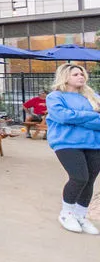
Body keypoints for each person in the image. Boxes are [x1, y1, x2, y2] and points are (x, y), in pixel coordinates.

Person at [45, 64, 100, 234]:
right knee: (79, 177)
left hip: (94, 143)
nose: (81, 76)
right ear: (65, 77)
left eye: (82, 73)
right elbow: (61, 116)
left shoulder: (93, 97)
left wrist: (75, 117)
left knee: (90, 180)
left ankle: (81, 215)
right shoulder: (55, 97)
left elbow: (70, 117)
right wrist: (93, 115)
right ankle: (66, 213)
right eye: (76, 74)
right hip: (66, 143)